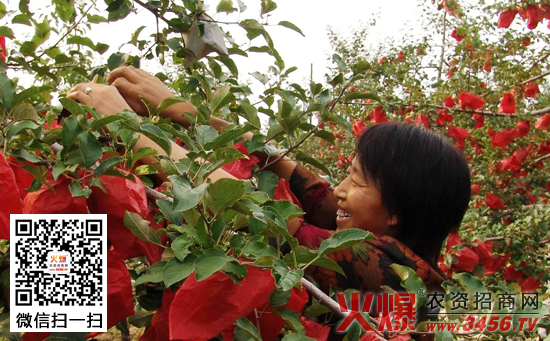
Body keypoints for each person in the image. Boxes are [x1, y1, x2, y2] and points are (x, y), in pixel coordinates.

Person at [67, 66, 471, 317]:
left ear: (397, 210)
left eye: (357, 179)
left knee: (53, 309)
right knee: (51, 237)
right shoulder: (381, 238)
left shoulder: (393, 281)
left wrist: (130, 127)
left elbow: (264, 220)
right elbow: (310, 189)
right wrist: (189, 114)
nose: (341, 190)